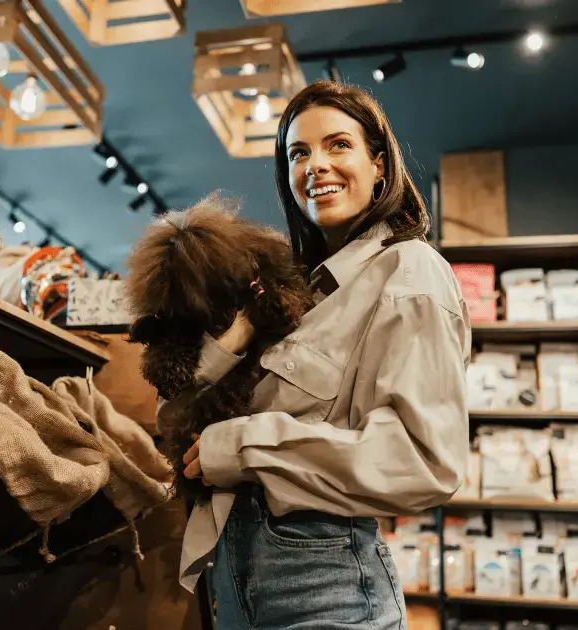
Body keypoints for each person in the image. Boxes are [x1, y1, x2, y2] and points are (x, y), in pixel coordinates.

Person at [160, 80, 470, 629]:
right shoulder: (295, 294)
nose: (315, 165)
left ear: (379, 165)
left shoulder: (409, 271)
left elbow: (424, 461)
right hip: (236, 584)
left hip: (323, 587)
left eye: (338, 145)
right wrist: (237, 338)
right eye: (298, 153)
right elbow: (180, 408)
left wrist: (247, 448)